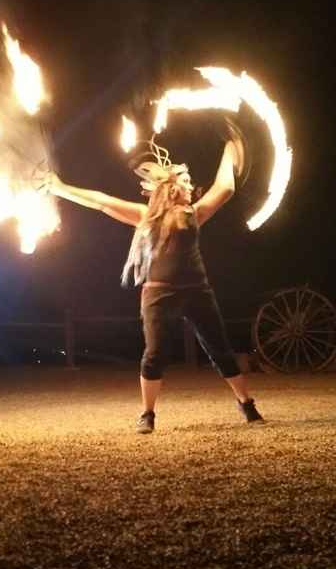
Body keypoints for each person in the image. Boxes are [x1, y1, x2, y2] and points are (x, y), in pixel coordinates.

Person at [45, 138, 265, 432]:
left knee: (219, 349)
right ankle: (147, 414)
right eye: (185, 181)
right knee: (155, 352)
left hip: (198, 292)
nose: (191, 186)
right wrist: (60, 187)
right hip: (159, 292)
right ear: (171, 186)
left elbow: (225, 188)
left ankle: (246, 404)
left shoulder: (194, 214)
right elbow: (99, 201)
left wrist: (228, 148)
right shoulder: (144, 216)